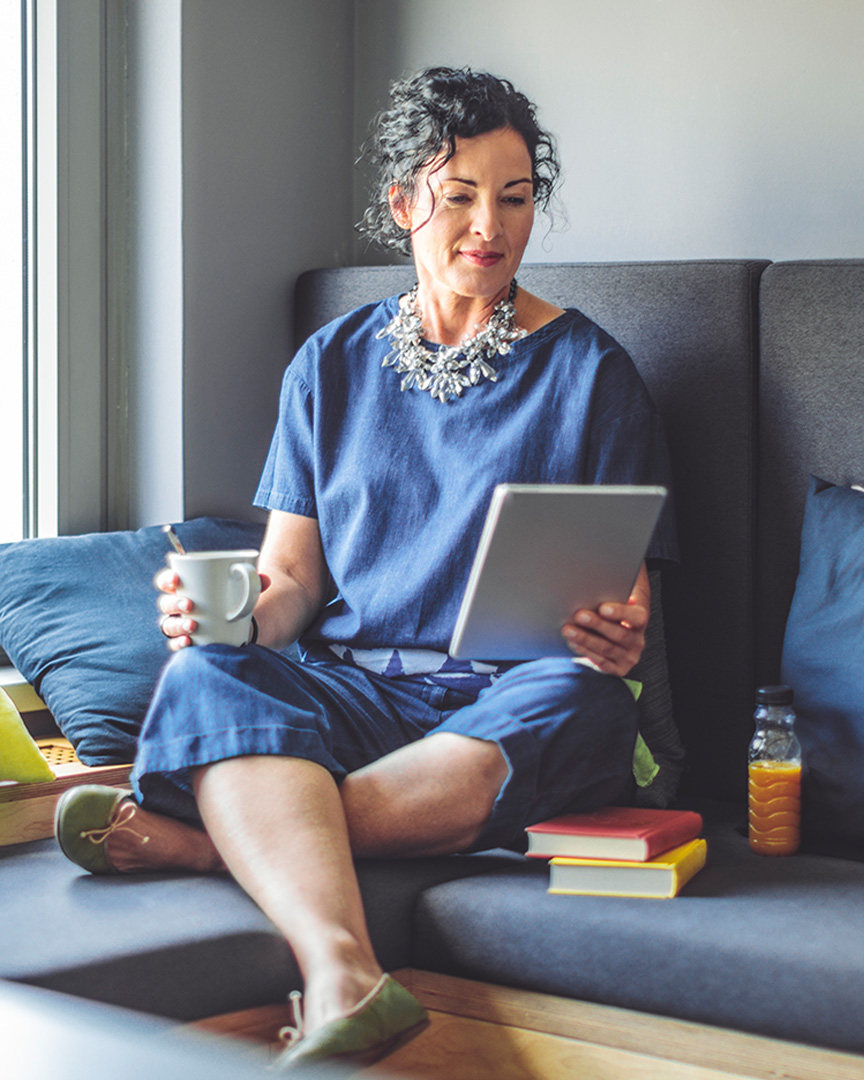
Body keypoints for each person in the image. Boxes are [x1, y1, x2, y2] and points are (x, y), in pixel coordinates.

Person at [55, 66, 677, 1071]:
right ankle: (345, 972)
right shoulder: (328, 366)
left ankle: (223, 840)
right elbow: (291, 587)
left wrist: (617, 629)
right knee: (208, 673)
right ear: (402, 205)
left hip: (506, 697)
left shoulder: (592, 374)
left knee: (584, 699)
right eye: (460, 194)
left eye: (516, 198)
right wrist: (226, 619)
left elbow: (622, 599)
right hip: (355, 698)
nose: (491, 224)